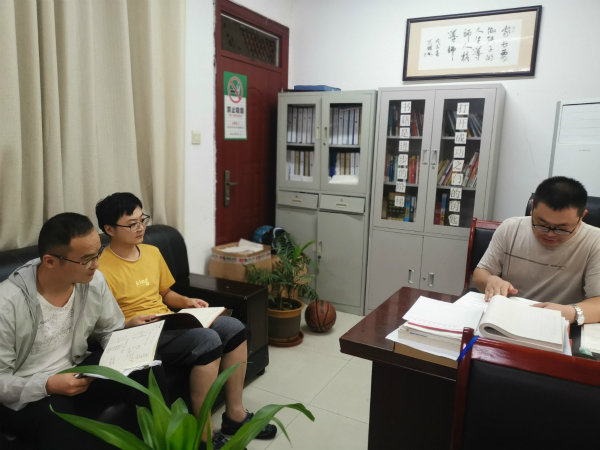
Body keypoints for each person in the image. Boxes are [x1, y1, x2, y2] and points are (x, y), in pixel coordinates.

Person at [95, 192, 277, 450]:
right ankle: (203, 434)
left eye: (142, 220)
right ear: (109, 229)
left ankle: (235, 416)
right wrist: (129, 322)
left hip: (167, 320)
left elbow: (165, 293)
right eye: (132, 224)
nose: (141, 228)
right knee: (207, 340)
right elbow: (100, 323)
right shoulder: (100, 269)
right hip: (137, 333)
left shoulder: (151, 252)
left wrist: (187, 301)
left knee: (234, 328)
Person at [0, 213, 160, 450]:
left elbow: (110, 330)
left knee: (146, 368)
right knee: (57, 412)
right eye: (86, 260)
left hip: (77, 370)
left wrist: (127, 352)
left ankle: (160, 442)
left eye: (98, 253)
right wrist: (47, 385)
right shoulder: (7, 303)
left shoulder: (94, 281)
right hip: (28, 392)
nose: (96, 265)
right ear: (50, 261)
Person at [473, 176, 600, 325]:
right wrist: (490, 280)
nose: (550, 234)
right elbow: (480, 274)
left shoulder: (595, 241)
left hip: (560, 323)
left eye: (562, 228)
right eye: (542, 223)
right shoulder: (510, 228)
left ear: (581, 217)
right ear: (532, 207)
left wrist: (571, 312)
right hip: (508, 318)